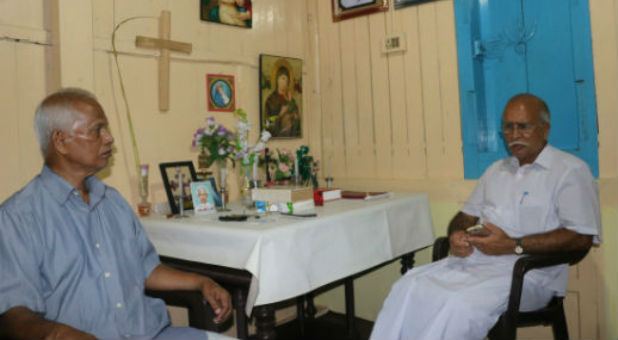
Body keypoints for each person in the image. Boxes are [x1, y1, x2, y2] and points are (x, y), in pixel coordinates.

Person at [0, 88, 233, 340]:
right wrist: (57, 334)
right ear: (60, 141)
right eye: (96, 130)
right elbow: (13, 315)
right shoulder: (18, 218)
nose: (109, 138)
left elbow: (146, 269)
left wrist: (201, 282)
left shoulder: (111, 201)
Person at [370, 93, 601, 340]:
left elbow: (580, 238)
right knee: (408, 287)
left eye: (523, 127)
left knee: (457, 303)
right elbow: (464, 217)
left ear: (545, 129)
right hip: (476, 263)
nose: (514, 135)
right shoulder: (496, 170)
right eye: (508, 128)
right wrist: (456, 235)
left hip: (530, 275)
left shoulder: (569, 171)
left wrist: (513, 246)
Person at [264, 66, 300, 138]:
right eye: (283, 79)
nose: (285, 82)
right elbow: (267, 124)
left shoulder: (291, 100)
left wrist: (294, 115)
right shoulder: (270, 100)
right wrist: (281, 114)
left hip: (290, 135)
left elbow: (298, 122)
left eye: (287, 80)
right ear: (277, 80)